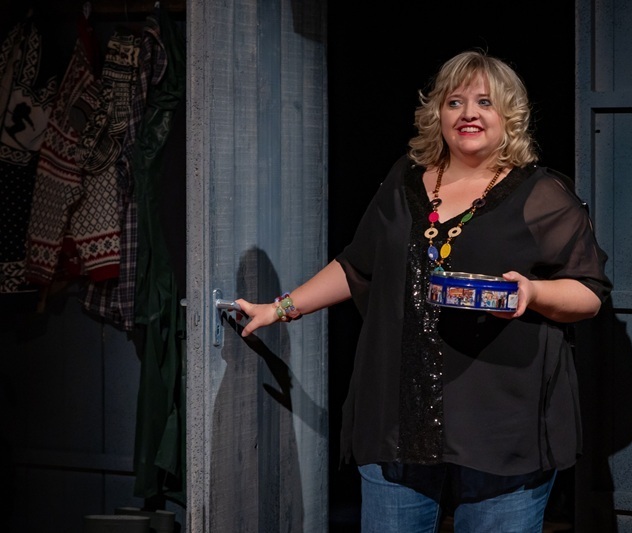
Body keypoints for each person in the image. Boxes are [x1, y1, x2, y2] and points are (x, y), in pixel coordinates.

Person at [236, 49, 612, 532]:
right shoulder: (404, 179)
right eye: (455, 102)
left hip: (501, 423)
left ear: (509, 115)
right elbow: (357, 265)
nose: (469, 113)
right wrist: (281, 308)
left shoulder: (541, 194)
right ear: (437, 113)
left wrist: (532, 294)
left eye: (485, 102)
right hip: (398, 416)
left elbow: (589, 292)